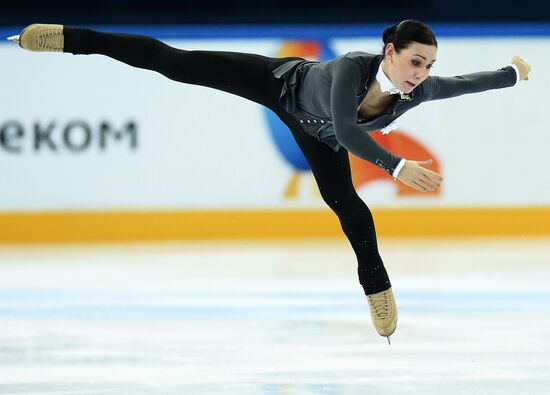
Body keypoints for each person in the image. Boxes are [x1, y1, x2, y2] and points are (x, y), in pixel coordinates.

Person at [8, 20, 531, 343]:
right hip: (282, 88)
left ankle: (377, 287)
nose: (421, 72)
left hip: (320, 140)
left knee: (348, 207)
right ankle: (70, 37)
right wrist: (395, 167)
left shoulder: (419, 91)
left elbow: (465, 83)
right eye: (415, 61)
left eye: (428, 65)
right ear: (390, 51)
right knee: (177, 64)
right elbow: (348, 127)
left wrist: (512, 73)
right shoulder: (353, 67)